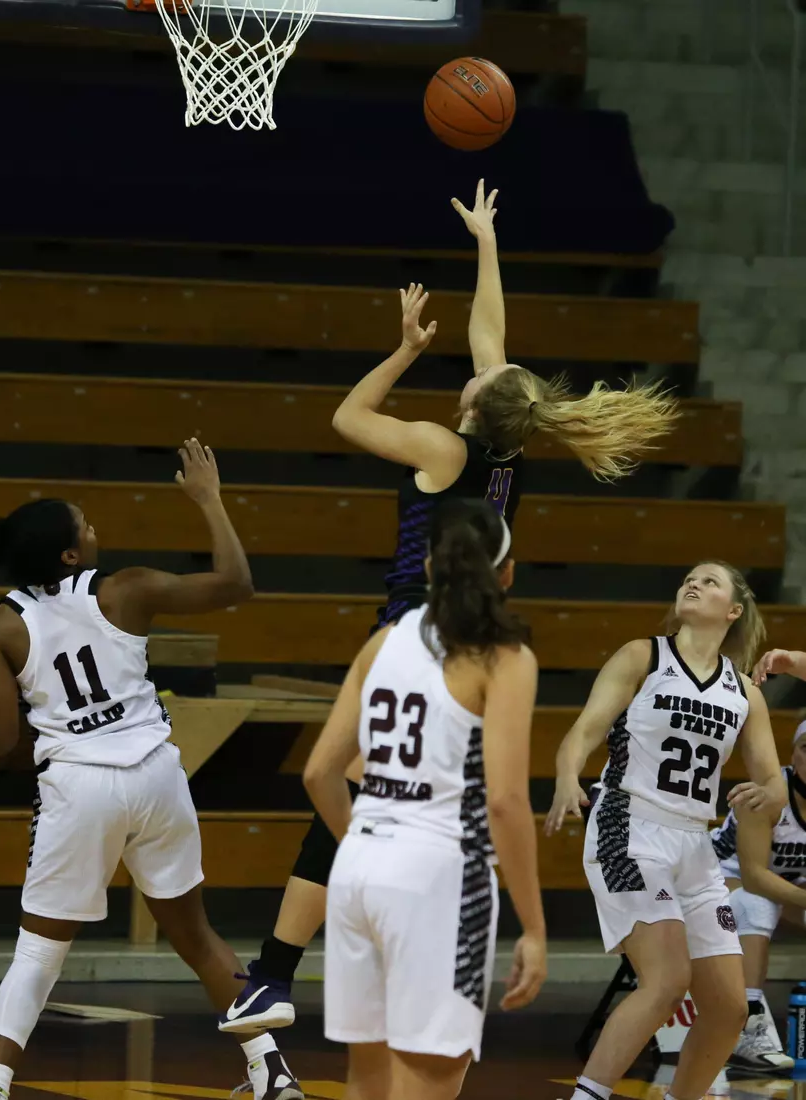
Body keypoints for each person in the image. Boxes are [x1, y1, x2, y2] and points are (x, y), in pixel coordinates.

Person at [221, 179, 680, 1034]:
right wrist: (487, 241)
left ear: (475, 403)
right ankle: (356, 947)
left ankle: (280, 969)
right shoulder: (508, 452)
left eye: (480, 376)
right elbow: (489, 335)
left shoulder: (441, 445)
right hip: (470, 643)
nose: (480, 365)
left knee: (347, 787)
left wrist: (399, 349)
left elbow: (346, 415)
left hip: (403, 632)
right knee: (421, 793)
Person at [0, 441, 302, 1100]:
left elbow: (4, 737)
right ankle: (272, 1071)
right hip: (154, 774)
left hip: (80, 785)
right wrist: (209, 501)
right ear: (70, 555)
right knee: (196, 933)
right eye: (84, 526)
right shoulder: (128, 590)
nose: (95, 531)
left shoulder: (0, 626)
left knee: (39, 950)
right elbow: (236, 583)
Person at [304, 499, 546, 1100]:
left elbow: (318, 773)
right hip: (440, 874)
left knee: (368, 1077)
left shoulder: (383, 641)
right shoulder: (504, 657)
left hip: (358, 868)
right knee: (431, 1077)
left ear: (430, 565)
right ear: (507, 572)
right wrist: (536, 927)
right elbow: (507, 802)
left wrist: (367, 848)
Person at [545, 560, 786, 1100]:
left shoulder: (745, 694)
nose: (693, 584)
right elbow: (584, 731)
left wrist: (768, 794)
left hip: (695, 843)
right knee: (668, 978)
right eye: (689, 579)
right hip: (629, 824)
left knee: (728, 1007)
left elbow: (773, 779)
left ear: (733, 611)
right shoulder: (642, 655)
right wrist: (566, 777)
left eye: (710, 581)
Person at [708, 719, 806, 1075]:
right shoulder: (766, 794)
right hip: (711, 881)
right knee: (757, 904)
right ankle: (746, 1028)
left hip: (779, 888)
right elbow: (753, 877)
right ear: (793, 754)